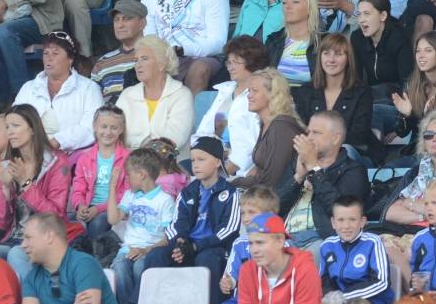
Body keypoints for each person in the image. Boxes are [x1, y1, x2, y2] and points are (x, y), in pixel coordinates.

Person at [143, 137, 239, 304]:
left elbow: (228, 230)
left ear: (218, 162)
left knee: (207, 257)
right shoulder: (188, 192)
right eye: (193, 160)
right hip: (188, 245)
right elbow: (176, 224)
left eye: (201, 159)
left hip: (214, 248)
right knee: (156, 256)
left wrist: (195, 247)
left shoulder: (230, 192)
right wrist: (180, 243)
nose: (195, 165)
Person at [0, 103, 72, 279]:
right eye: (7, 127)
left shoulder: (57, 162)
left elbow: (55, 216)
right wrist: (5, 188)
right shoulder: (8, 164)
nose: (10, 132)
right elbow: (2, 223)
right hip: (14, 238)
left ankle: (35, 295)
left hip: (46, 238)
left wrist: (26, 184)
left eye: (16, 126)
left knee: (16, 254)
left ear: (33, 128)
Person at [279, 110, 366, 249]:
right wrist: (298, 177)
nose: (309, 138)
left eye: (316, 133)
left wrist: (314, 168)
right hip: (284, 238)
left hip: (321, 240)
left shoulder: (353, 170)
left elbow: (341, 211)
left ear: (335, 138)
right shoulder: (297, 163)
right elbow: (273, 208)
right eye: (308, 132)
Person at [107, 148, 176, 304]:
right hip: (127, 249)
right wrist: (112, 187)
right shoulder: (130, 195)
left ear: (142, 175)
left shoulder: (165, 200)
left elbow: (168, 236)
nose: (127, 178)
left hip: (150, 250)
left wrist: (145, 251)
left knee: (140, 268)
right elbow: (113, 219)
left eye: (129, 174)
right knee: (120, 269)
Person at [13, 30, 102, 154]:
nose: (49, 58)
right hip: (32, 153)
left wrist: (58, 141)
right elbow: (14, 120)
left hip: (74, 156)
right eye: (46, 53)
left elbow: (91, 127)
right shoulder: (28, 88)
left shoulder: (89, 88)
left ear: (70, 59)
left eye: (55, 53)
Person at [293, 33, 376, 158]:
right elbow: (301, 130)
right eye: (326, 53)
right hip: (313, 152)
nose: (331, 60)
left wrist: (323, 144)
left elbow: (359, 134)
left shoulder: (361, 92)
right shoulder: (305, 91)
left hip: (350, 155)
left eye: (338, 54)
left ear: (348, 59)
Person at [195, 37, 266, 179]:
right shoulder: (225, 91)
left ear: (252, 63)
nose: (230, 67)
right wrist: (199, 156)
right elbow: (203, 130)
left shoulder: (260, 96)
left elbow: (253, 144)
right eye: (229, 62)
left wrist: (223, 171)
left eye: (236, 62)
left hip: (240, 171)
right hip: (211, 162)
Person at [115, 35, 194, 154]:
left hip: (168, 162)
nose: (138, 65)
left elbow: (174, 139)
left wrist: (138, 155)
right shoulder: (127, 95)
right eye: (136, 60)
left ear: (161, 64)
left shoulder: (182, 95)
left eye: (144, 59)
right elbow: (114, 132)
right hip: (128, 160)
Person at [238, 67, 305, 192]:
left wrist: (234, 182)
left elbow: (271, 180)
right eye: (249, 91)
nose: (249, 96)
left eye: (254, 91)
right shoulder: (266, 124)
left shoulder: (281, 127)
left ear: (272, 94)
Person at [319, 196, 393, 304]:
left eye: (352, 220)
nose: (346, 226)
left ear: (362, 222)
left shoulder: (373, 242)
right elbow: (324, 281)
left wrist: (344, 297)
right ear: (333, 223)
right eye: (341, 220)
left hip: (371, 303)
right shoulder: (327, 246)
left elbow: (381, 282)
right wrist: (330, 298)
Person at [69, 106, 129, 239]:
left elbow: (126, 194)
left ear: (121, 129)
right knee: (66, 222)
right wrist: (80, 206)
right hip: (88, 206)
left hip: (113, 208)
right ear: (95, 126)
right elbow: (78, 188)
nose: (108, 132)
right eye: (104, 126)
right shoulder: (84, 158)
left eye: (114, 128)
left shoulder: (127, 159)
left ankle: (95, 252)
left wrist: (98, 209)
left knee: (98, 223)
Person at [218, 186, 279, 304]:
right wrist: (228, 282)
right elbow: (231, 276)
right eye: (243, 213)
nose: (245, 218)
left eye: (251, 212)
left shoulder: (282, 244)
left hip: (274, 302)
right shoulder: (239, 244)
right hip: (242, 301)